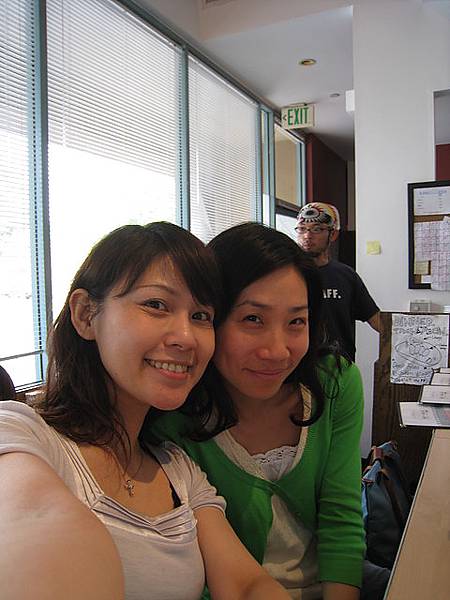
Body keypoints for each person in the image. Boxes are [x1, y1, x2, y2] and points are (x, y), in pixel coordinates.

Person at [0, 222, 290, 600]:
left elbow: (246, 583)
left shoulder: (177, 470)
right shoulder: (22, 433)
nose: (186, 337)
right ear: (85, 315)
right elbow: (35, 519)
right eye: (156, 305)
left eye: (200, 316)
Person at [153, 222, 366, 600]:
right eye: (253, 319)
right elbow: (193, 567)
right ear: (209, 318)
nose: (277, 351)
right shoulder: (173, 411)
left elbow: (342, 518)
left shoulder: (335, 383)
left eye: (296, 321)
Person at [295, 202, 380, 362]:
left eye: (317, 229)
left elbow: (376, 320)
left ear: (333, 234)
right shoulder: (287, 275)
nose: (307, 236)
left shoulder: (346, 276)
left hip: (340, 365)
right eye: (302, 229)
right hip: (296, 365)